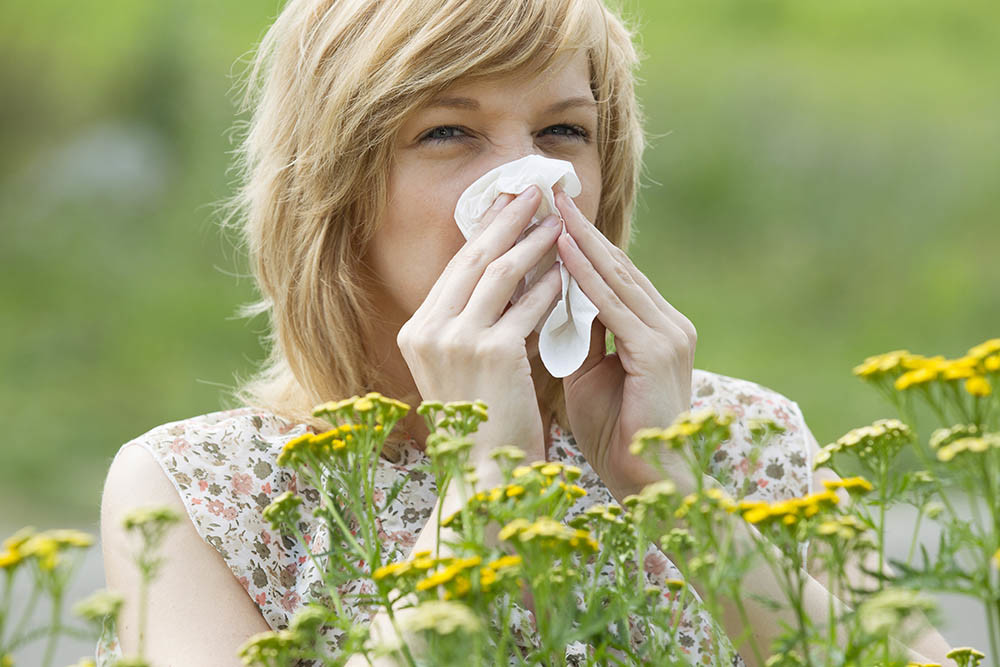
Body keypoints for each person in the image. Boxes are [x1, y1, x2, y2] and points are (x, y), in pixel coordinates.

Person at [99, 0, 956, 665]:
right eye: (448, 132)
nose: (529, 185)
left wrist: (678, 494)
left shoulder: (741, 441)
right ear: (335, 191)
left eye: (562, 132)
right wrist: (484, 486)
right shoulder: (202, 491)